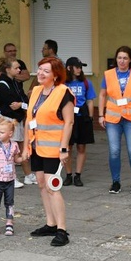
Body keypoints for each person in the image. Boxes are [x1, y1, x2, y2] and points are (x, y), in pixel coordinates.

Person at [23, 57, 75, 247]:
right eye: (40, 69)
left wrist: (63, 148)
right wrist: (26, 147)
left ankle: (62, 230)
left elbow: (68, 122)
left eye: (46, 70)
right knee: (41, 184)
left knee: (53, 187)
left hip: (53, 148)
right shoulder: (36, 91)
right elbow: (29, 120)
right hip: (37, 147)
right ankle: (50, 223)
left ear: (55, 75)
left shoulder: (64, 93)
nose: (41, 73)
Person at [98, 46, 131, 194]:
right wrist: (100, 115)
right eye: (119, 57)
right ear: (116, 59)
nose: (122, 61)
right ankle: (115, 182)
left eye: (125, 58)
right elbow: (102, 95)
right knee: (114, 151)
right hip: (113, 118)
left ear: (130, 59)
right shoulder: (108, 74)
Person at [0, 57, 34, 188]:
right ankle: (10, 178)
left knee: (22, 149)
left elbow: (23, 102)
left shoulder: (16, 83)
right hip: (8, 120)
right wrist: (21, 106)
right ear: (8, 69)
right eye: (16, 68)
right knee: (10, 151)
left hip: (18, 119)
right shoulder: (2, 84)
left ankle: (29, 175)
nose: (19, 70)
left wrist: (22, 105)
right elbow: (11, 105)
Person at [0, 117, 22, 236]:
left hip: (10, 180)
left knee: (10, 202)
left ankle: (9, 224)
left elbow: (16, 160)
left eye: (2, 132)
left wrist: (24, 157)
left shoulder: (14, 145)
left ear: (10, 134)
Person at [64, 57, 96, 186]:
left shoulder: (86, 83)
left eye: (80, 67)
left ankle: (78, 175)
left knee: (82, 146)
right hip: (68, 117)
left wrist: (90, 117)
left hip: (82, 116)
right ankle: (68, 174)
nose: (79, 69)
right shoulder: (63, 84)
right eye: (77, 67)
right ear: (69, 68)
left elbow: (90, 100)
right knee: (68, 146)